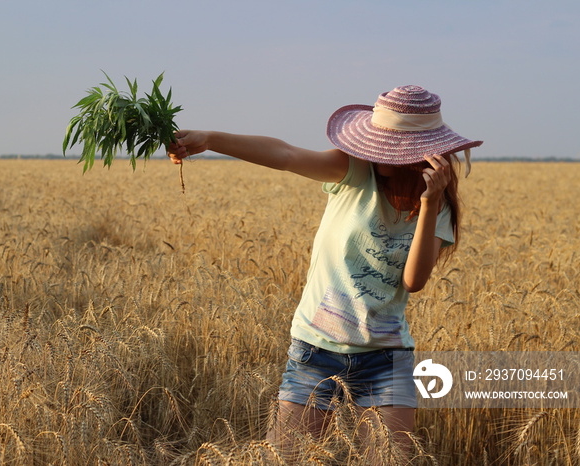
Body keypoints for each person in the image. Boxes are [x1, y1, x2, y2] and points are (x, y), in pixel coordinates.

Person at [168, 85, 482, 462]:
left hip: (387, 360)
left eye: (392, 145)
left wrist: (429, 203)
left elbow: (414, 282)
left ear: (421, 156)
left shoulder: (438, 207)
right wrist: (210, 139)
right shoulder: (354, 171)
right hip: (316, 351)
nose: (379, 150)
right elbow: (285, 155)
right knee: (285, 459)